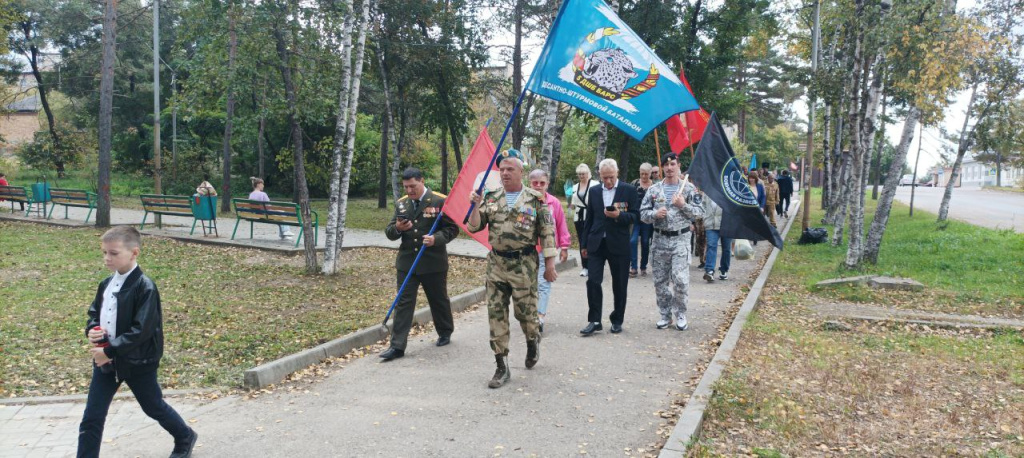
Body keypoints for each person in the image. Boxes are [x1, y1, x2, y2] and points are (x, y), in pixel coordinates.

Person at [78, 226, 198, 458]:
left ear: (134, 253)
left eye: (113, 253)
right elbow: (95, 312)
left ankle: (184, 435)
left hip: (137, 362)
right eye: (104, 252)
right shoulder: (106, 284)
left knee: (153, 407)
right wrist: (92, 329)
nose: (106, 258)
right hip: (105, 363)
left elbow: (141, 330)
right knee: (92, 417)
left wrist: (110, 352)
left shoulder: (146, 287)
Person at [468, 149, 557, 389]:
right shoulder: (491, 198)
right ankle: (501, 365)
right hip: (496, 264)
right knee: (496, 314)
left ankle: (532, 340)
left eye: (510, 169)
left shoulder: (535, 199)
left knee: (526, 315)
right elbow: (474, 227)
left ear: (521, 172)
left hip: (523, 265)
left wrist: (550, 265)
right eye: (502, 169)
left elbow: (548, 233)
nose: (505, 173)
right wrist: (475, 206)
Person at [380, 167, 459, 361]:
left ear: (422, 181)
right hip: (408, 264)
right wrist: (398, 228)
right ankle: (397, 346)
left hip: (433, 263)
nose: (409, 190)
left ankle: (445, 331)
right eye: (406, 187)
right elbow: (390, 232)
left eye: (413, 186)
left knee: (438, 299)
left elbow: (452, 228)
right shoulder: (402, 204)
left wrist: (436, 239)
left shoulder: (440, 200)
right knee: (404, 303)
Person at [640, 153, 704, 330]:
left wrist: (683, 205)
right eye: (666, 165)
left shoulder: (689, 189)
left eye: (673, 164)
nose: (669, 168)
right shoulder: (653, 190)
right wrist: (654, 214)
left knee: (680, 279)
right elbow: (642, 214)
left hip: (681, 241)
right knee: (660, 281)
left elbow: (699, 213)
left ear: (678, 166)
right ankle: (665, 315)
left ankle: (681, 313)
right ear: (661, 168)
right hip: (660, 240)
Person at [579, 158, 639, 336]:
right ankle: (595, 320)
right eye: (604, 177)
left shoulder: (628, 190)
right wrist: (584, 244)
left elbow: (636, 216)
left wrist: (619, 215)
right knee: (593, 281)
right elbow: (589, 219)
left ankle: (617, 319)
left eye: (611, 177)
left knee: (620, 284)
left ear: (617, 173)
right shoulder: (595, 191)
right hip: (596, 243)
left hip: (619, 243)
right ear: (600, 175)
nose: (608, 181)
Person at [528, 169, 571, 333]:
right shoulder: (524, 202)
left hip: (548, 250)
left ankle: (540, 317)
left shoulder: (554, 203)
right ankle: (530, 313)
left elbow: (561, 225)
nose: (538, 186)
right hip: (528, 250)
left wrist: (565, 247)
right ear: (529, 183)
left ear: (547, 184)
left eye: (542, 183)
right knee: (530, 284)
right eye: (535, 183)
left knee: (544, 283)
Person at [569, 164, 599, 277]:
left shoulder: (595, 184)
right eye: (580, 174)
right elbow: (573, 202)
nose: (582, 176)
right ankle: (585, 266)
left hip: (592, 216)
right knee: (582, 242)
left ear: (588, 173)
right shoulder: (575, 186)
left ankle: (594, 265)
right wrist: (570, 207)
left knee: (592, 240)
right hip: (579, 217)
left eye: (583, 174)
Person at [629, 163, 655, 277]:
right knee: (632, 241)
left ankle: (643, 266)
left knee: (645, 242)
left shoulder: (654, 186)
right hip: (635, 218)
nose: (644, 176)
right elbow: (628, 198)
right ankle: (633, 267)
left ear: (650, 174)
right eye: (642, 174)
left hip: (648, 219)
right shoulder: (634, 184)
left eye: (646, 174)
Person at [702, 195, 732, 282]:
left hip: (726, 225)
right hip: (711, 224)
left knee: (726, 249)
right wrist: (705, 217)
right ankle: (709, 271)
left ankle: (724, 270)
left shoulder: (727, 190)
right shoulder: (707, 191)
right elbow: (702, 205)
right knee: (711, 246)